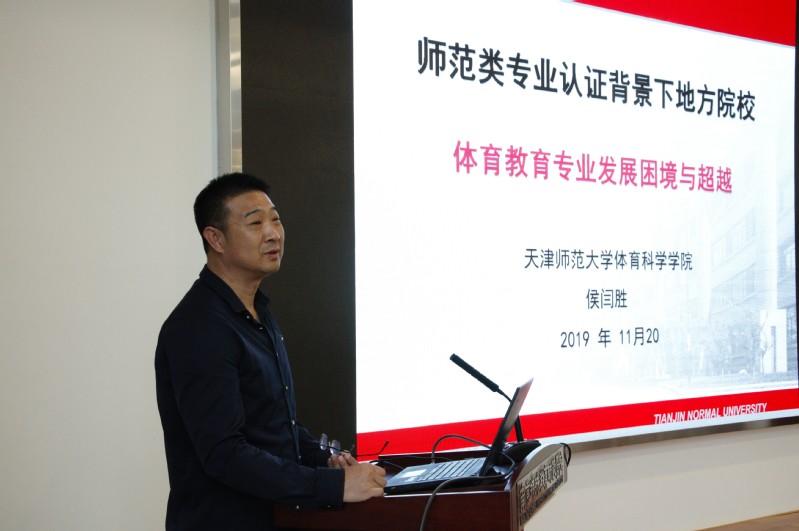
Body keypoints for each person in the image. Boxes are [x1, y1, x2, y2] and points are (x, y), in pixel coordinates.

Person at [155, 172, 386, 530]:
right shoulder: (199, 326)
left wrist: (325, 460)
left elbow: (274, 426)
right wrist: (331, 486)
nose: (273, 233)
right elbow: (224, 453)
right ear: (215, 238)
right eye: (255, 223)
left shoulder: (258, 312)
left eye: (275, 220)